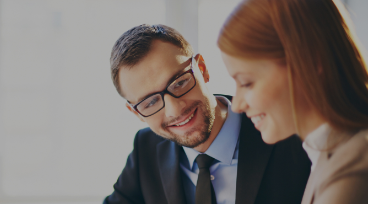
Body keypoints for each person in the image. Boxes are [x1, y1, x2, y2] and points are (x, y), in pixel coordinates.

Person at [104, 24, 310, 204]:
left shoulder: (288, 131)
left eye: (180, 83)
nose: (175, 110)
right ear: (136, 113)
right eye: (150, 102)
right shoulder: (145, 149)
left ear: (202, 69)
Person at [217, 0, 368, 203]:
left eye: (247, 83)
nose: (236, 105)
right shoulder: (327, 153)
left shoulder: (351, 171)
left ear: (310, 62)